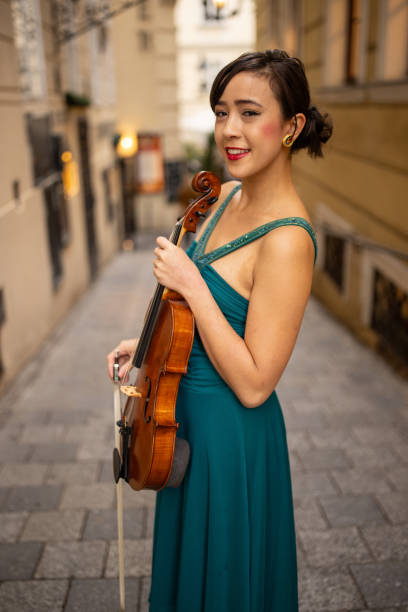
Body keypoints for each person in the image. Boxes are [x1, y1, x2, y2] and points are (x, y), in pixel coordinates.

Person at [107, 49, 333, 612]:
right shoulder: (225, 196)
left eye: (250, 112)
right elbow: (206, 327)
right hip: (182, 423)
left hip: (230, 441)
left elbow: (257, 382)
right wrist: (154, 343)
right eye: (220, 111)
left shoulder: (289, 240)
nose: (229, 130)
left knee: (224, 582)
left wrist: (192, 284)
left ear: (292, 126)